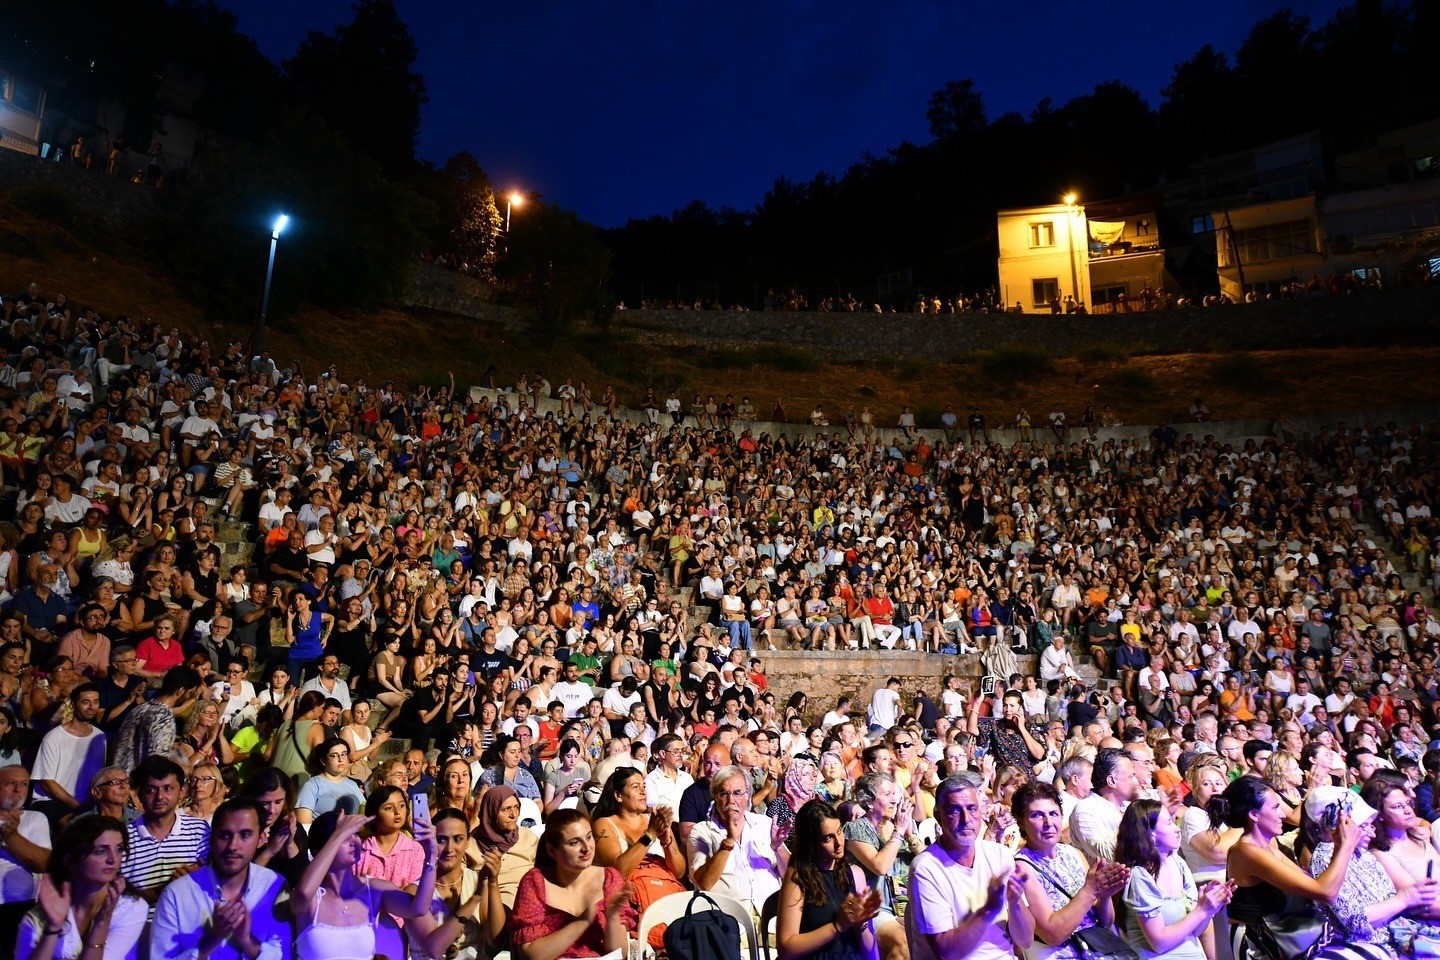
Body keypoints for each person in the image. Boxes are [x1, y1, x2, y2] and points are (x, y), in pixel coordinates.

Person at [1212, 775, 1388, 960]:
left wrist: (1337, 846)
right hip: (1261, 944)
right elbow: (1325, 892)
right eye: (1275, 807)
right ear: (1254, 815)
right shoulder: (1246, 852)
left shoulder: (1268, 847)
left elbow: (1312, 885)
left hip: (1286, 938)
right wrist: (1345, 846)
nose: (1283, 814)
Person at [907, 775, 1033, 960]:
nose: (966, 819)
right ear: (938, 817)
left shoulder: (999, 855)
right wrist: (988, 910)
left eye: (972, 809)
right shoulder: (926, 868)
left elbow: (1025, 940)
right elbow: (947, 953)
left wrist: (1014, 904)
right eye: (954, 811)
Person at [149, 798, 290, 960]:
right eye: (224, 835)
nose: (233, 846)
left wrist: (246, 940)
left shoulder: (273, 885)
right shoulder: (176, 894)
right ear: (211, 839)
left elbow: (284, 954)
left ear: (260, 839)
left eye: (245, 835)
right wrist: (212, 939)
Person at [1305, 784, 1440, 953]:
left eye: (1371, 825)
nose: (1373, 834)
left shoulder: (1362, 854)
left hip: (1399, 937)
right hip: (1373, 949)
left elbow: (1391, 899)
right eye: (1363, 827)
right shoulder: (1326, 859)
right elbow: (1355, 923)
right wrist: (1405, 898)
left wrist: (1417, 896)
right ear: (1340, 825)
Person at [291, 809, 437, 960]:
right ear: (320, 850)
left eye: (354, 834)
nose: (355, 841)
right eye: (345, 837)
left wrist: (431, 857)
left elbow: (418, 908)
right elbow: (303, 893)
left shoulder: (374, 890)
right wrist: (339, 834)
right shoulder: (312, 898)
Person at [1011, 781, 1128, 960]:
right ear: (1021, 822)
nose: (1048, 822)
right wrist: (1089, 891)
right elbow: (1053, 935)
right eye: (1037, 815)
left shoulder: (1074, 853)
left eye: (1053, 814)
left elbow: (1105, 922)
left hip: (1097, 951)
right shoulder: (1021, 866)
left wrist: (1104, 895)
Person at [508, 809, 636, 960]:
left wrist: (613, 917)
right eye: (574, 843)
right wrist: (582, 923)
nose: (586, 848)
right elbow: (530, 954)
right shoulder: (536, 881)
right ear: (552, 851)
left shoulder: (609, 878)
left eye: (589, 837)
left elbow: (618, 953)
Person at [1115, 798, 1234, 960]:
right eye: (1169, 823)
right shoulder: (1139, 876)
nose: (1177, 829)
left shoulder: (1178, 863)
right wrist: (1201, 910)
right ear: (1151, 835)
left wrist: (1209, 907)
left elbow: (1196, 930)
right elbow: (1159, 943)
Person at [15, 816, 145, 960]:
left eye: (119, 849)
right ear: (70, 861)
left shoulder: (131, 907)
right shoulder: (39, 917)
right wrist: (53, 928)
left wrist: (102, 921)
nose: (113, 859)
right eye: (100, 851)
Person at [776, 798, 883, 960]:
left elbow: (872, 954)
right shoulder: (798, 876)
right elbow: (786, 948)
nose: (839, 843)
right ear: (810, 843)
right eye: (828, 838)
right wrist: (837, 926)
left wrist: (860, 926)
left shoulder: (855, 873)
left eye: (839, 831)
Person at [405, 807, 504, 960]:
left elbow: (496, 940)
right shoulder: (413, 892)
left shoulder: (477, 880)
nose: (449, 848)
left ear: (468, 842)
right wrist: (475, 898)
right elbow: (434, 947)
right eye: (441, 840)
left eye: (457, 839)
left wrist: (493, 882)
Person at [590, 767, 687, 915]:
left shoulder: (653, 820)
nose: (643, 791)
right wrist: (650, 834)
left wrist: (666, 842)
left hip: (663, 890)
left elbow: (679, 872)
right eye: (635, 787)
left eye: (644, 786)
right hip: (632, 902)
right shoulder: (604, 825)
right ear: (618, 795)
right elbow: (618, 872)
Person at [688, 764, 783, 910]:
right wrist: (728, 842)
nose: (731, 800)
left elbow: (791, 874)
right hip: (730, 922)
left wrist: (777, 849)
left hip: (772, 918)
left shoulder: (764, 824)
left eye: (737, 793)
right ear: (715, 797)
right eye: (724, 793)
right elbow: (703, 883)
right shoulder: (701, 832)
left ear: (748, 796)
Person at [118, 756, 210, 907]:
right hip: (140, 925)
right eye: (151, 790)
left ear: (181, 792)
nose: (159, 797)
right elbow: (120, 898)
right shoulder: (123, 838)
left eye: (168, 789)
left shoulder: (199, 831)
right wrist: (166, 889)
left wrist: (198, 876)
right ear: (140, 795)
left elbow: (213, 881)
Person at [843, 772, 913, 960]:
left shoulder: (898, 828)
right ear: (870, 801)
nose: (894, 800)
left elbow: (925, 862)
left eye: (894, 794)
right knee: (904, 944)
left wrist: (910, 835)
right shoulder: (856, 828)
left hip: (902, 907)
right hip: (871, 910)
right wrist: (898, 832)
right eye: (887, 794)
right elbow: (879, 866)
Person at [472, 784, 539, 916]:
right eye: (506, 809)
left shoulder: (528, 838)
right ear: (491, 811)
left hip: (526, 901)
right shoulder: (472, 844)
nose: (513, 815)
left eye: (516, 807)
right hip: (488, 905)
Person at [353, 786, 424, 890]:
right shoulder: (361, 849)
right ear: (374, 814)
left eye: (401, 805)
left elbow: (416, 889)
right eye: (388, 808)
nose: (397, 811)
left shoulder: (415, 849)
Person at [294, 738, 366, 825]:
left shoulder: (352, 784)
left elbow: (365, 813)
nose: (340, 759)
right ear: (323, 761)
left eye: (344, 754)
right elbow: (304, 825)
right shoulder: (312, 786)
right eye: (334, 755)